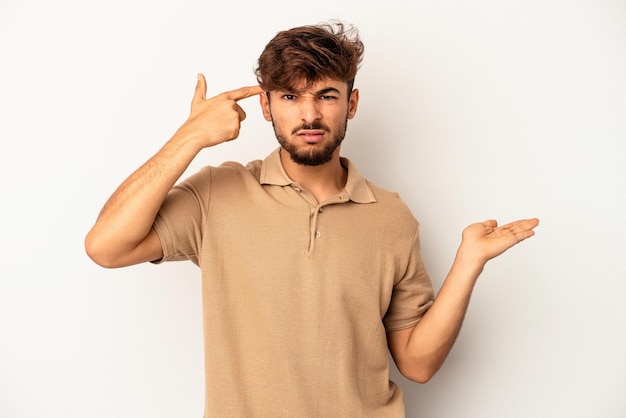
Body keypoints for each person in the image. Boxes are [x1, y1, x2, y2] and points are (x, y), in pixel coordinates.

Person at [85, 21, 539, 417]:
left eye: (326, 95)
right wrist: (189, 138)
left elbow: (417, 364)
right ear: (265, 107)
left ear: (352, 103)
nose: (309, 114)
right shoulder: (215, 196)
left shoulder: (392, 217)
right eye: (290, 96)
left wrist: (469, 261)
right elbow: (106, 246)